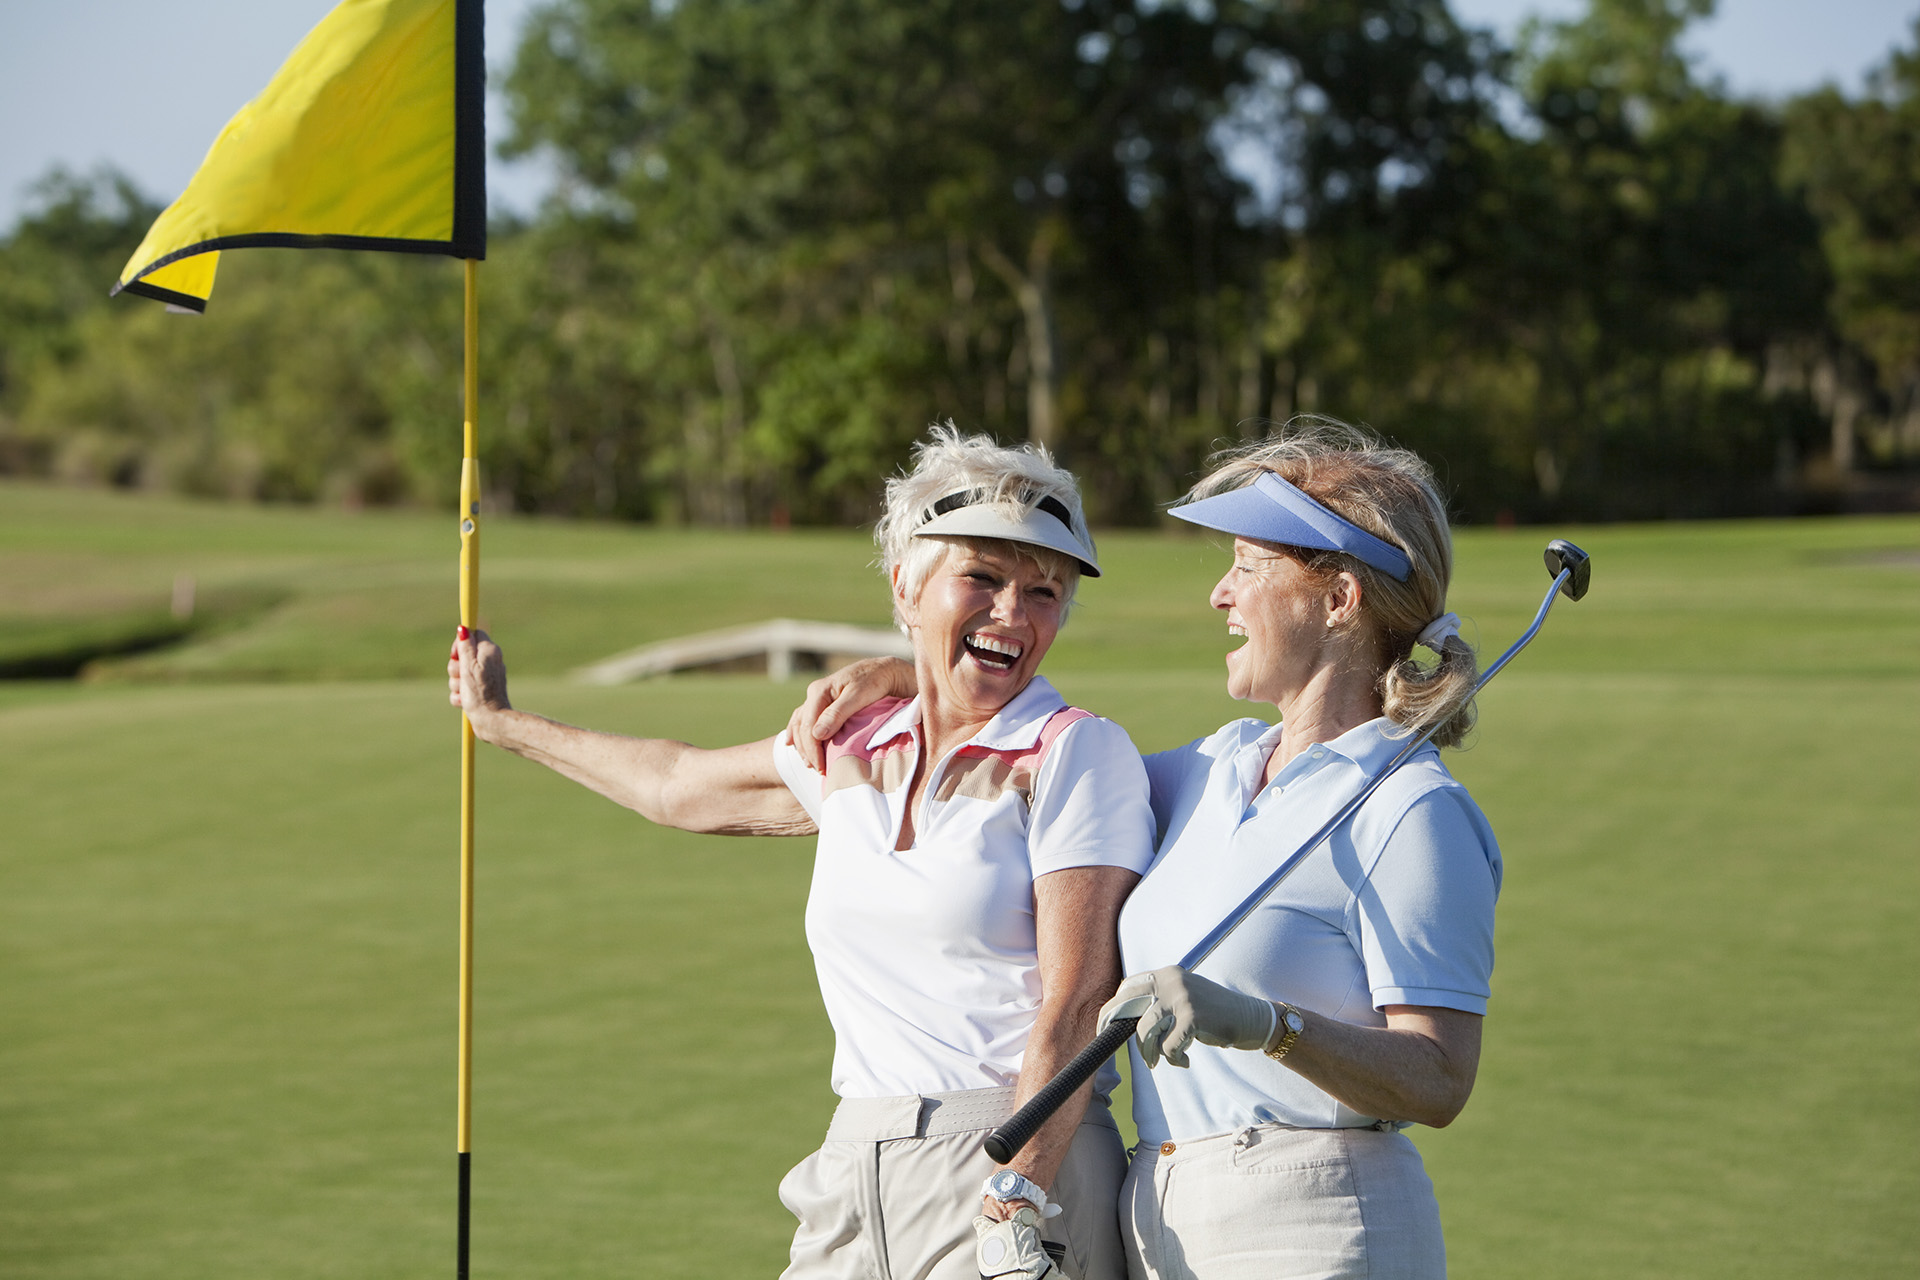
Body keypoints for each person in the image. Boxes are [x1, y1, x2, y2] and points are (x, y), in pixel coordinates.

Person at [789, 419, 1501, 1279]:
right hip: (1160, 1225)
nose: (1219, 594)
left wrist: (1269, 1027)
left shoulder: (1414, 809)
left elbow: (1437, 1079)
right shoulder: (1212, 769)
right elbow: (1031, 755)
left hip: (1319, 1223)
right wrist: (915, 675)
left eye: (1248, 565)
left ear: (1339, 599)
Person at [448, 425, 1155, 1280]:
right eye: (982, 577)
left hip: (1011, 1157)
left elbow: (1078, 1005)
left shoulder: (1076, 752)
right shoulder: (853, 741)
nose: (1013, 612)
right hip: (853, 1166)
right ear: (907, 585)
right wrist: (503, 725)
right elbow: (679, 784)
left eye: (1045, 592)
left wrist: (1018, 1195)